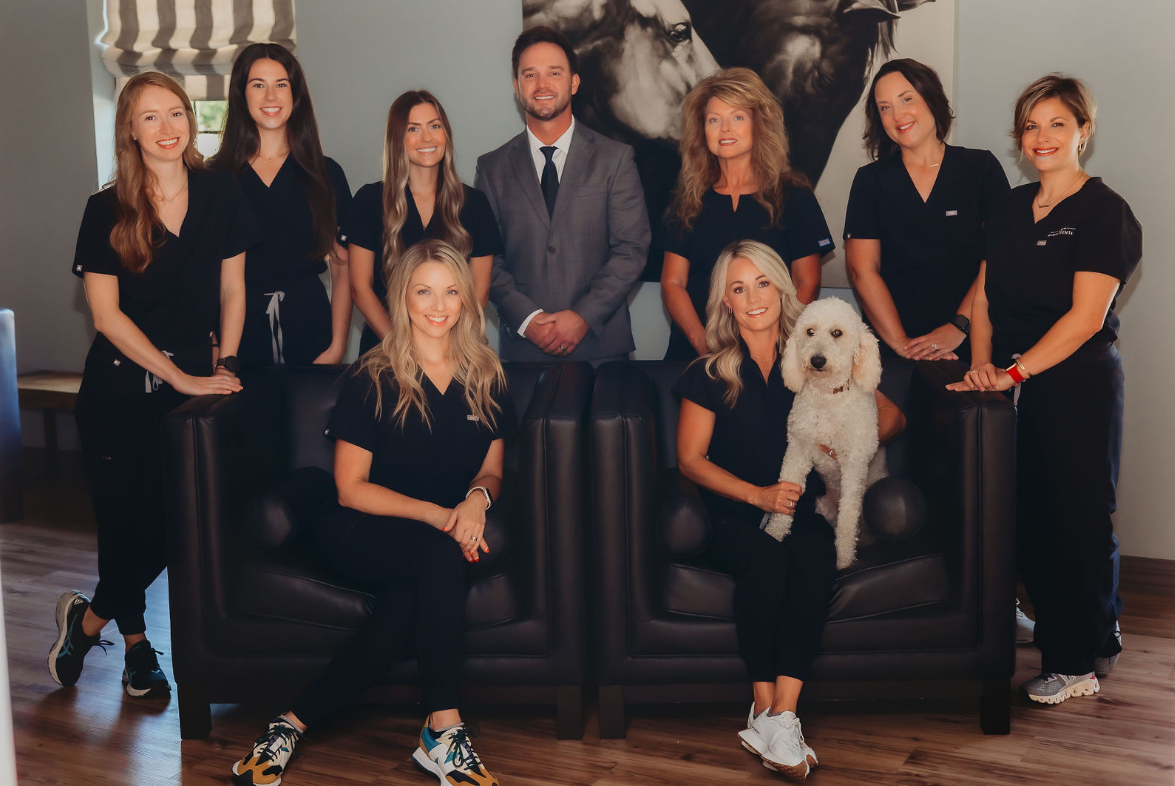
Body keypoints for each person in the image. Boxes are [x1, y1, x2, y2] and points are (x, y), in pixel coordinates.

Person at [231, 239, 512, 786]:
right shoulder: (372, 375)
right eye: (424, 291)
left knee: (406, 605)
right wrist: (442, 516)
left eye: (451, 291)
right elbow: (351, 489)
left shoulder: (487, 373)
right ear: (402, 298)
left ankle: (288, 725)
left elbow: (492, 470)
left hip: (436, 537)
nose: (438, 305)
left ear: (467, 299)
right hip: (360, 526)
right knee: (440, 556)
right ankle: (444, 731)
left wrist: (476, 502)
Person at [48, 72, 257, 698]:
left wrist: (229, 365)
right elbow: (106, 317)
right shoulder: (104, 208)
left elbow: (233, 288)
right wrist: (179, 374)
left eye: (177, 113)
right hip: (117, 390)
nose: (168, 129)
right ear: (129, 131)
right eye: (150, 118)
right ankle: (139, 651)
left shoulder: (223, 194)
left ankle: (85, 623)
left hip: (193, 390)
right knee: (123, 527)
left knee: (173, 525)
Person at [675, 240, 903, 780]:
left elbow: (891, 416)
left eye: (762, 284)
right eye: (738, 288)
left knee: (816, 558)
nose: (753, 297)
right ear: (725, 303)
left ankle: (783, 714)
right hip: (731, 512)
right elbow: (689, 460)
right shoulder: (708, 372)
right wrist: (756, 495)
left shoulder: (813, 351)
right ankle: (762, 708)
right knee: (768, 562)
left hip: (799, 508)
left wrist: (847, 447)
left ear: (782, 290)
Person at [947, 75, 1141, 705]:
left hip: (1076, 383)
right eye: (1031, 125)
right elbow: (982, 296)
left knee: (1077, 520)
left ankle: (1076, 661)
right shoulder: (1009, 208)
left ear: (1083, 130)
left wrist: (1014, 372)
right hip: (1011, 382)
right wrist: (982, 367)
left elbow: (1085, 317)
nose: (1042, 137)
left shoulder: (1103, 209)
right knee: (1023, 519)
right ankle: (1084, 636)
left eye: (1057, 123)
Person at [475, 25, 650, 363]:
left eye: (554, 73)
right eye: (530, 75)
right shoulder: (492, 168)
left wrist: (582, 316)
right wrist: (527, 321)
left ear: (573, 82)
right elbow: (486, 261)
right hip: (524, 354)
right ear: (517, 87)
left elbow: (632, 249)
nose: (542, 85)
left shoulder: (616, 159)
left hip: (602, 353)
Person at [845, 58, 1010, 373]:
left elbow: (1000, 259)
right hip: (892, 353)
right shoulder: (870, 181)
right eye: (885, 107)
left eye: (907, 99)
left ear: (932, 99)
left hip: (974, 345)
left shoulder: (981, 169)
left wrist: (958, 327)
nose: (898, 115)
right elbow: (862, 271)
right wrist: (902, 345)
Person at [661, 68, 833, 360]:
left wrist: (776, 341)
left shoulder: (794, 196)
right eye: (714, 120)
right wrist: (702, 342)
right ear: (702, 130)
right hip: (697, 356)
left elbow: (807, 282)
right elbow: (672, 283)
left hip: (772, 356)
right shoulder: (688, 200)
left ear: (759, 124)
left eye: (737, 117)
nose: (725, 129)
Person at [210, 42, 353, 369]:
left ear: (296, 95)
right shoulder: (215, 177)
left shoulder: (326, 173)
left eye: (281, 85)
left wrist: (337, 345)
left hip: (312, 331)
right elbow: (203, 273)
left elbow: (343, 266)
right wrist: (217, 347)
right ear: (240, 95)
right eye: (258, 85)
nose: (270, 97)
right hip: (237, 339)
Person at [348, 90, 502, 354]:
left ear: (446, 134)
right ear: (397, 139)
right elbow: (360, 287)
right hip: (387, 350)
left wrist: (449, 348)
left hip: (454, 351)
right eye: (413, 129)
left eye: (434, 126)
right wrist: (401, 346)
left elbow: (480, 291)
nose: (427, 137)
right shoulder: (369, 200)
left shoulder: (474, 203)